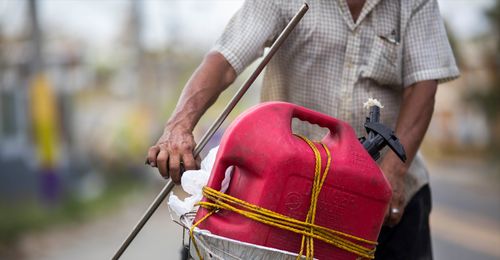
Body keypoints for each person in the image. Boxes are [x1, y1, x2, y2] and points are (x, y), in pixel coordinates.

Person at [146, 0, 459, 259]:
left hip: (388, 188)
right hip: (289, 190)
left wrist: (392, 173)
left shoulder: (415, 3)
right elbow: (226, 60)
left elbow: (423, 84)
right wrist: (179, 125)